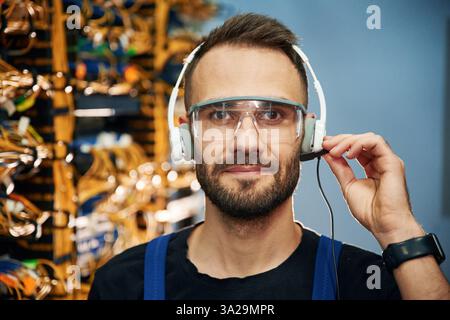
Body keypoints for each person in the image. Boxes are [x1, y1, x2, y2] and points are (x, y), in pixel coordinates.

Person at [88, 13, 449, 300]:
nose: (246, 141)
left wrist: (397, 228)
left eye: (272, 115)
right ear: (187, 136)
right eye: (220, 114)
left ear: (307, 135)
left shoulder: (367, 283)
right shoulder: (121, 285)